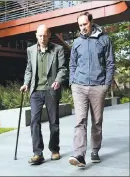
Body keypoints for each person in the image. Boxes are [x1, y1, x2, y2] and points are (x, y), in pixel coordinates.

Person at [69, 12, 115, 167]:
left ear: (91, 22)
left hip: (98, 86)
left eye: (85, 24)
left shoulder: (104, 40)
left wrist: (106, 85)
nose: (82, 28)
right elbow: (72, 64)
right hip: (79, 86)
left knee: (97, 121)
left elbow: (110, 63)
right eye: (80, 25)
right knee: (80, 120)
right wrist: (72, 82)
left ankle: (95, 150)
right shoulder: (76, 43)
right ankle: (79, 155)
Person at [20, 24, 67, 165]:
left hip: (51, 90)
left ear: (49, 35)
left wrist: (58, 81)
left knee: (54, 122)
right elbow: (29, 69)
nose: (42, 38)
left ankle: (54, 149)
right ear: (36, 35)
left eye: (45, 35)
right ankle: (37, 153)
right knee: (34, 122)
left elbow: (63, 69)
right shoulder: (30, 50)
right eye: (40, 35)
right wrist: (26, 83)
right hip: (36, 91)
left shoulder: (57, 49)